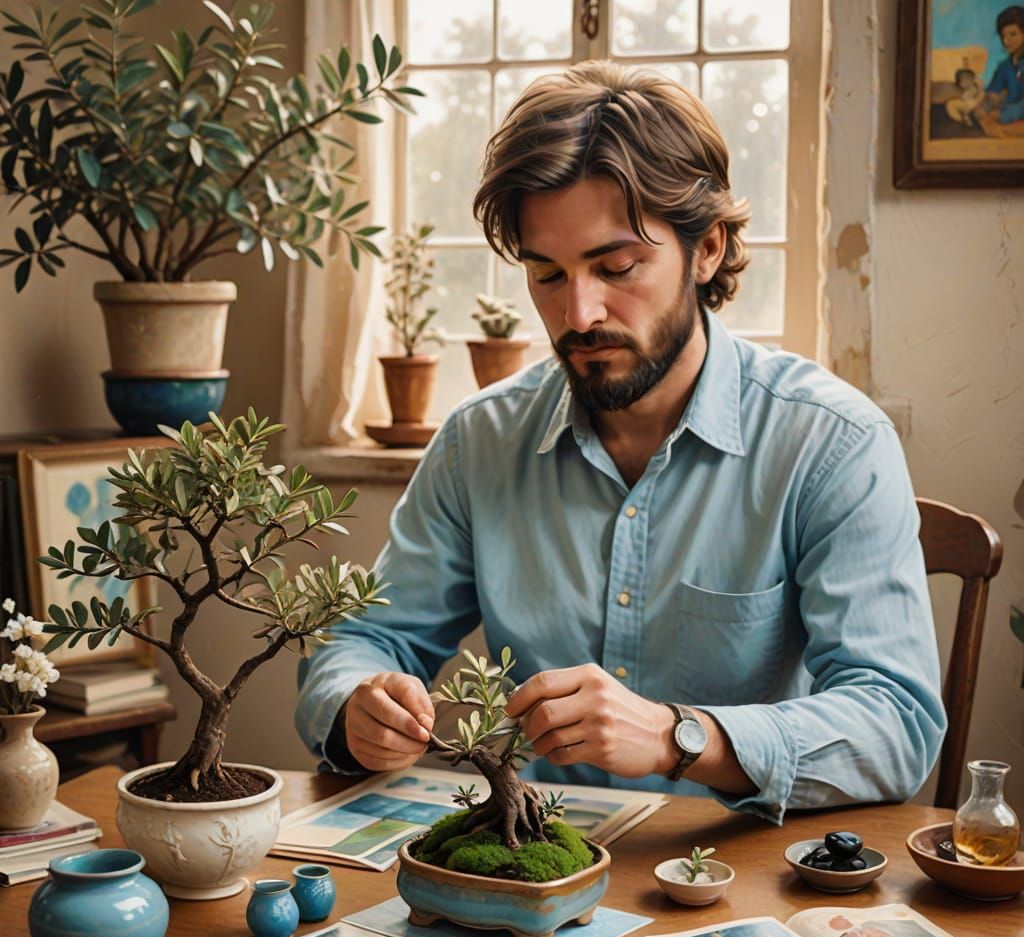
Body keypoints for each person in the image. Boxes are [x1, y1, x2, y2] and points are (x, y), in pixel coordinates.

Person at [296, 62, 944, 824]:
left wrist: (679, 736)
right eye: (546, 274)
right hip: (532, 869)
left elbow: (896, 723)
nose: (578, 312)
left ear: (707, 251)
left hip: (737, 881)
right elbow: (365, 641)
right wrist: (359, 705)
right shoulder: (481, 441)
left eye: (617, 266)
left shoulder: (831, 443)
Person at [980, 6, 1024, 133]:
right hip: (1010, 118)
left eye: (1013, 34)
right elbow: (993, 94)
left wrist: (1002, 116)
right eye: (1003, 35)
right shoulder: (1004, 67)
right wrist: (984, 104)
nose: (1006, 40)